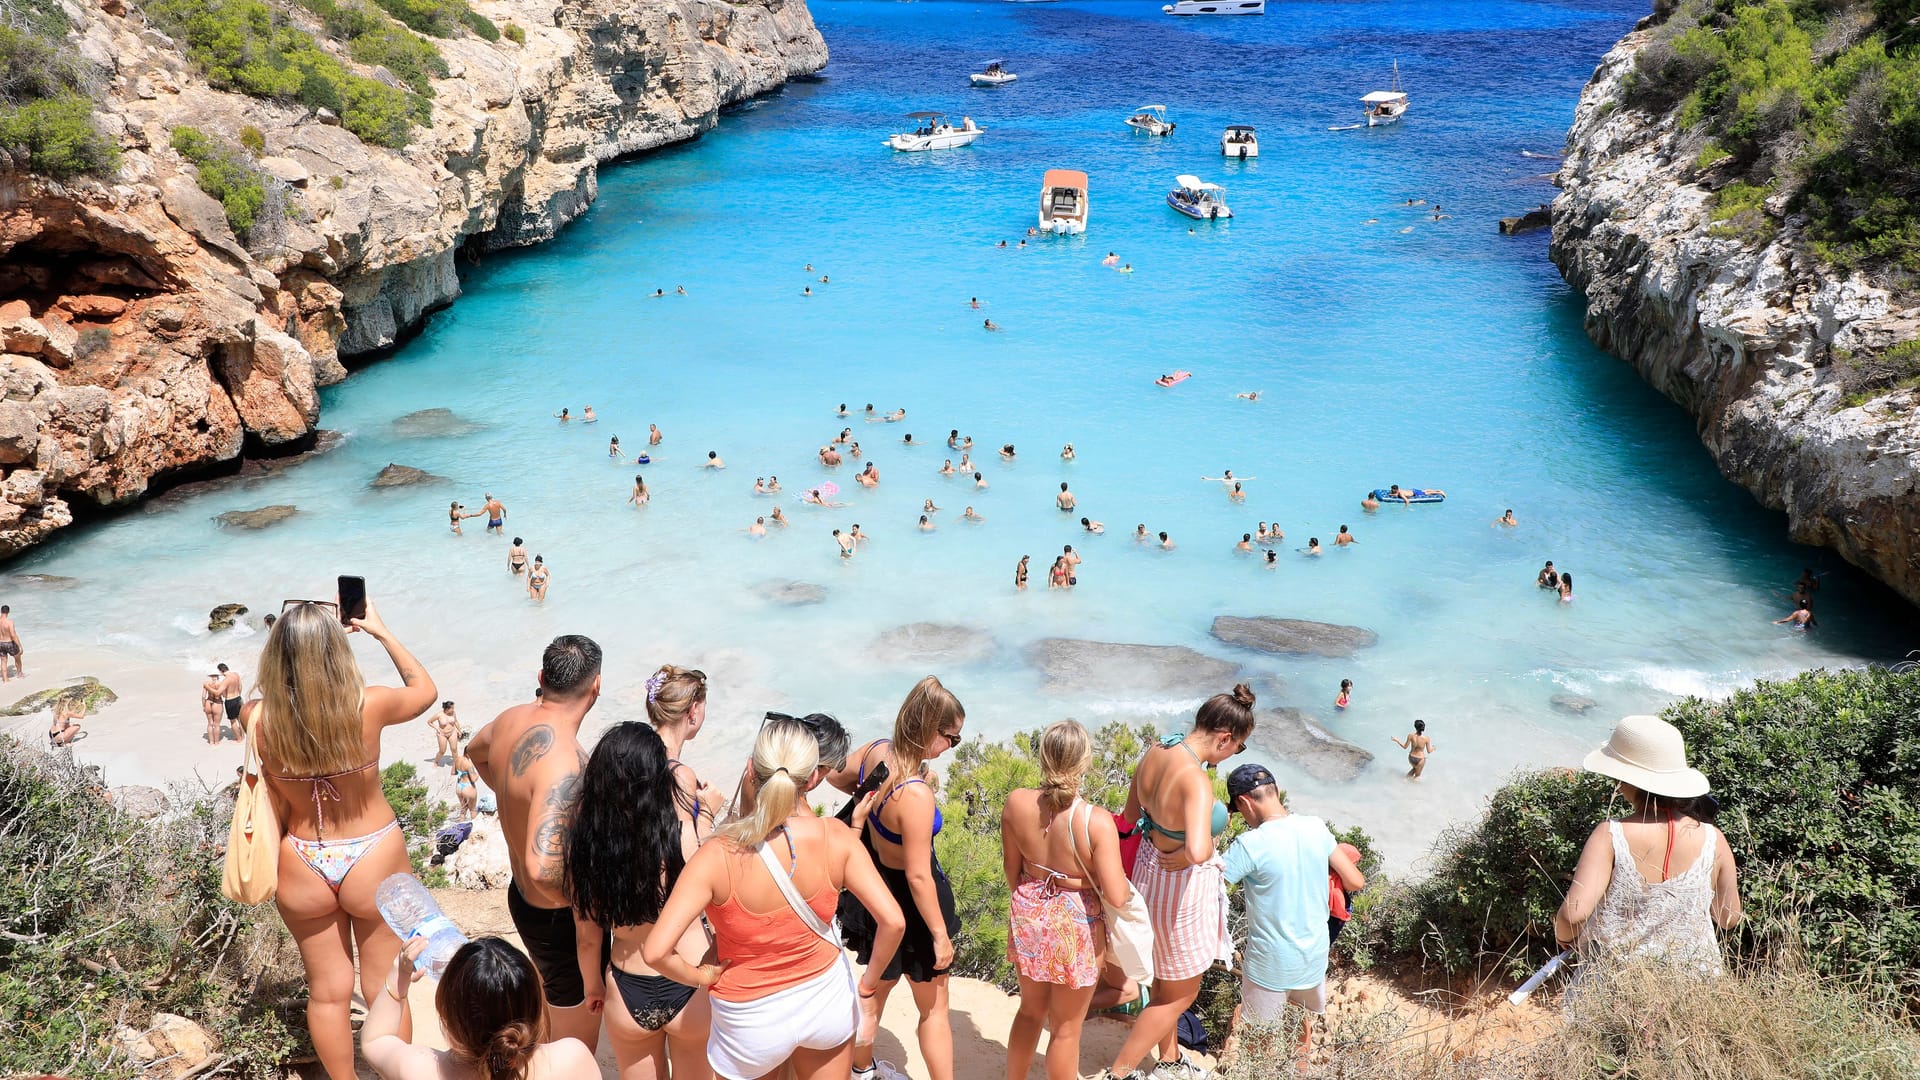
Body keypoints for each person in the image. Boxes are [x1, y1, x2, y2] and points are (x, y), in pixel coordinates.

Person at [238, 598, 438, 1080]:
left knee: (327, 990)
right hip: (372, 851)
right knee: (385, 985)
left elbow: (260, 703)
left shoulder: (256, 717)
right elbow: (425, 690)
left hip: (301, 858)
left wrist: (287, 658)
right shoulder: (368, 704)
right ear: (336, 652)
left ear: (276, 655)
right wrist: (381, 631)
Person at [643, 719, 905, 1080]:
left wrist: (701, 975)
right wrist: (868, 987)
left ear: (751, 768)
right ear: (813, 778)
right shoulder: (837, 837)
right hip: (824, 1000)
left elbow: (656, 951)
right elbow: (894, 921)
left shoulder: (718, 855)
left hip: (750, 1017)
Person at [1103, 685, 1256, 1080]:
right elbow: (1202, 850)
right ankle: (1120, 1073)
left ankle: (1169, 1060)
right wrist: (1190, 850)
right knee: (1183, 993)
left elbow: (1130, 812)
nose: (1232, 755)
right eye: (1237, 748)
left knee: (1163, 978)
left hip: (1148, 869)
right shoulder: (1196, 780)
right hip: (1180, 886)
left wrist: (1166, 838)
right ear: (1225, 738)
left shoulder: (1156, 750)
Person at [467, 635, 606, 1051]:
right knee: (576, 1047)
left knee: (552, 1004)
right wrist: (591, 907)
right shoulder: (567, 763)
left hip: (523, 902)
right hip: (559, 919)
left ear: (542, 678)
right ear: (596, 686)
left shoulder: (511, 718)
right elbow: (543, 866)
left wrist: (516, 800)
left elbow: (475, 751)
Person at [565, 723, 714, 1080]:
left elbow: (588, 938)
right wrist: (705, 814)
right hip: (690, 976)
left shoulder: (585, 848)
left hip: (628, 984)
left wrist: (594, 987)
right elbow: (716, 887)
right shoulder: (683, 838)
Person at [1552, 716, 1742, 987]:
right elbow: (1728, 917)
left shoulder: (1609, 835)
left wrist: (1566, 938)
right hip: (1694, 989)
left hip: (1615, 988)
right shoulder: (1714, 839)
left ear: (1624, 779)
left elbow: (1573, 915)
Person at [841, 678, 968, 1080]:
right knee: (933, 1008)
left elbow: (835, 774)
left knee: (873, 993)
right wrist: (939, 935)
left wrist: (867, 795)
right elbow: (918, 875)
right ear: (930, 729)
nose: (951, 747)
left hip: (875, 888)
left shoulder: (879, 752)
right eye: (951, 738)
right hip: (913, 906)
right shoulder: (915, 794)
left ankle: (861, 1070)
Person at [1002, 721, 1134, 1080]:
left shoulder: (1016, 802)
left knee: (1029, 1012)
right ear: (1086, 762)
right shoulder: (1096, 822)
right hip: (1076, 924)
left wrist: (1036, 902)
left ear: (1042, 756)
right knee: (1065, 1028)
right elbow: (1117, 894)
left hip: (1030, 909)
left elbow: (1012, 872)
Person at [1221, 765, 1364, 1065]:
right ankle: (1300, 1072)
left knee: (1259, 1044)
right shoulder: (1315, 827)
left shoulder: (1250, 844)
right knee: (1299, 1027)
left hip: (1270, 963)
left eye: (1239, 810)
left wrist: (1214, 830)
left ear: (1245, 803)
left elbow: (1209, 884)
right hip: (1312, 956)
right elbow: (1355, 881)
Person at [362, 934, 599, 1080]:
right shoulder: (573, 1058)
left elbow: (375, 1039)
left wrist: (399, 974)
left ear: (446, 1016)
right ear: (536, 1009)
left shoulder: (421, 1070)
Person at [648, 665, 727, 841]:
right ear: (693, 710)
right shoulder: (680, 775)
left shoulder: (638, 755)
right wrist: (707, 814)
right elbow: (687, 856)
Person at [451, 740, 479, 822]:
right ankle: (475, 829)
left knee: (463, 809)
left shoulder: (457, 759)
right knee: (472, 810)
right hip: (468, 787)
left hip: (459, 786)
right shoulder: (469, 764)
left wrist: (462, 773)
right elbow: (473, 779)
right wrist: (477, 775)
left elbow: (453, 772)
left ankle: (460, 825)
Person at [433, 701, 459, 766]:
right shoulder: (439, 715)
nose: (453, 709)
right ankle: (436, 762)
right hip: (442, 734)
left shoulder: (453, 713)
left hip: (452, 732)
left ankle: (457, 763)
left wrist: (459, 730)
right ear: (447, 709)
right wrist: (436, 728)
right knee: (442, 751)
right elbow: (429, 722)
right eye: (452, 708)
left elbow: (456, 722)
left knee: (454, 749)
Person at [202, 670, 225, 744]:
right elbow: (224, 695)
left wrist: (203, 705)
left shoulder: (206, 683)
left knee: (210, 724)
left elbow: (203, 696)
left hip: (208, 702)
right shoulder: (220, 683)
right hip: (217, 703)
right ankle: (216, 742)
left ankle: (211, 741)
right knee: (217, 725)